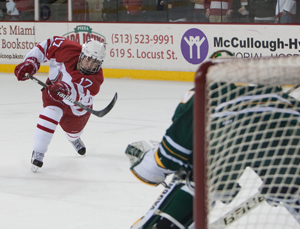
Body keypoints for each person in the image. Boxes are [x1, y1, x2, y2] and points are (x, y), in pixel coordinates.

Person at [125, 51, 300, 228]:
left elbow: (169, 158)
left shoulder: (203, 93)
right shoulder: (275, 94)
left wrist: (149, 160)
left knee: (196, 173)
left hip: (225, 150)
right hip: (289, 131)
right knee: (294, 186)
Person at [14, 36, 106, 172]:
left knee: (73, 130)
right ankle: (38, 152)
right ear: (82, 54)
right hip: (53, 92)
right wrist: (31, 62)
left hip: (76, 106)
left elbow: (81, 95)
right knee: (50, 113)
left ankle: (73, 138)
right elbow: (46, 46)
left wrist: (66, 89)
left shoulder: (95, 79)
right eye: (88, 59)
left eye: (95, 62)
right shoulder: (66, 48)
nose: (90, 65)